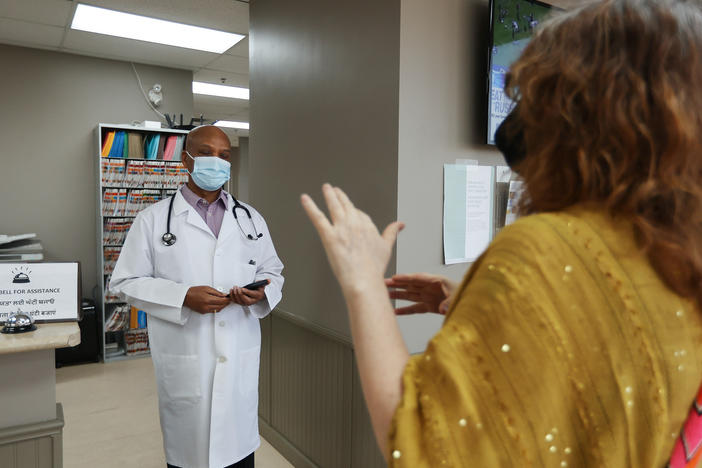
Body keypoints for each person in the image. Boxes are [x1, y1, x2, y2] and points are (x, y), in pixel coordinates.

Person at [301, 0, 702, 466]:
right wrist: (493, 307)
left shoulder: (550, 251)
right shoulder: (681, 253)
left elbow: (425, 445)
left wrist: (364, 279)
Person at [110, 125, 284, 468]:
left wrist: (261, 293)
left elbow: (274, 271)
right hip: (186, 359)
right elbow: (125, 281)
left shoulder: (250, 219)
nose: (215, 162)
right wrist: (182, 296)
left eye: (224, 155)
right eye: (206, 153)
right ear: (186, 158)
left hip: (238, 358)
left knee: (239, 456)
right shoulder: (153, 220)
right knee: (190, 456)